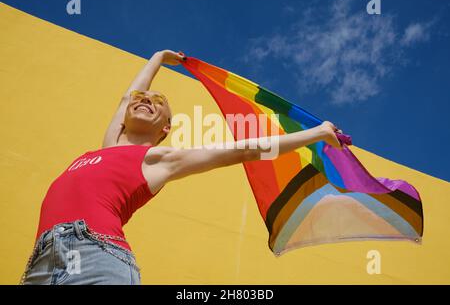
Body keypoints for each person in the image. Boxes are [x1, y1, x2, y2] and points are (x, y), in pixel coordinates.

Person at [21, 50, 344, 285]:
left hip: (97, 256)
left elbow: (244, 150)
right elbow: (125, 98)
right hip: (43, 261)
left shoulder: (158, 161)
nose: (145, 100)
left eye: (158, 104)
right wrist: (158, 58)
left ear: (164, 129)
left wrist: (315, 134)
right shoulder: (108, 147)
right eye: (140, 99)